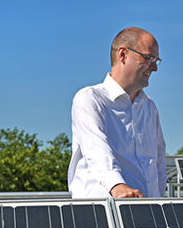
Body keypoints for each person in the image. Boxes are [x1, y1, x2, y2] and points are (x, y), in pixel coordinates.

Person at [68, 27, 167, 198]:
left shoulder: (149, 107)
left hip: (147, 215)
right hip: (100, 217)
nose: (154, 68)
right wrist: (117, 186)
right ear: (123, 54)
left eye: (156, 61)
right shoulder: (90, 99)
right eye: (149, 58)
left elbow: (159, 165)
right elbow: (96, 149)